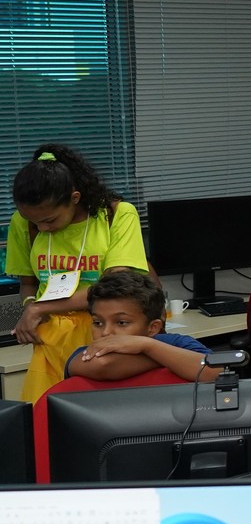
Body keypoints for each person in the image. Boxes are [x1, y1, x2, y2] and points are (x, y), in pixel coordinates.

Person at [6, 143, 148, 403]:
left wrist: (39, 308)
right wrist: (29, 307)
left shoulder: (116, 215)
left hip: (105, 331)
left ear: (75, 198)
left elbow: (113, 288)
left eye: (49, 220)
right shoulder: (23, 222)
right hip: (51, 340)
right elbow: (28, 284)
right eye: (35, 221)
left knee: (104, 417)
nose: (42, 228)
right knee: (44, 421)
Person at [64, 270, 218, 383]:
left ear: (153, 328)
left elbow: (216, 371)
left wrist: (147, 345)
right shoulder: (87, 352)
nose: (106, 332)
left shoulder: (177, 343)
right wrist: (163, 356)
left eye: (122, 323)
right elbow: (104, 365)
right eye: (98, 323)